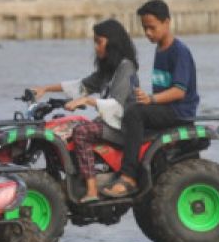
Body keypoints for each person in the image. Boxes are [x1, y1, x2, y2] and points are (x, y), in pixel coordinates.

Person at [29, 19, 138, 202]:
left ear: (113, 43)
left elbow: (116, 105)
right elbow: (80, 86)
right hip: (109, 123)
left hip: (122, 126)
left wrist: (87, 100)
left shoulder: (125, 67)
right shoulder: (108, 70)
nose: (96, 47)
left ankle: (92, 189)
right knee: (66, 129)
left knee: (81, 132)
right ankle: (72, 178)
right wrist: (45, 89)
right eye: (95, 42)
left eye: (99, 42)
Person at [103, 0, 199, 198]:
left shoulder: (178, 51)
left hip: (178, 111)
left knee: (135, 113)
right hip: (164, 107)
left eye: (151, 28)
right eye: (144, 28)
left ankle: (128, 177)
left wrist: (151, 99)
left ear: (167, 23)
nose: (147, 33)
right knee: (129, 111)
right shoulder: (160, 49)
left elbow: (179, 91)